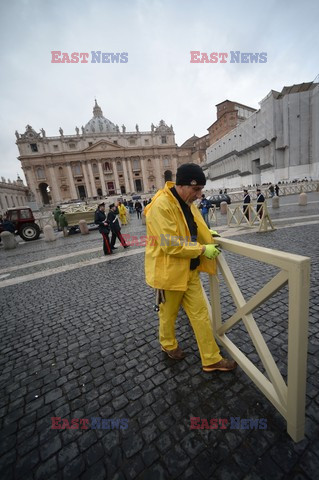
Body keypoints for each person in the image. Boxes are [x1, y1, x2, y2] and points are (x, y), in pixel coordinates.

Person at [144, 163, 237, 373]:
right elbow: (170, 244)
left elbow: (196, 226)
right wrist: (203, 249)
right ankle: (168, 345)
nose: (199, 194)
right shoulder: (161, 206)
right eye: (196, 189)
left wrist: (209, 236)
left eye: (201, 190)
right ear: (183, 185)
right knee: (168, 315)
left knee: (201, 314)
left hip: (190, 270)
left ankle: (211, 359)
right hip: (169, 274)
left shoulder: (186, 201)